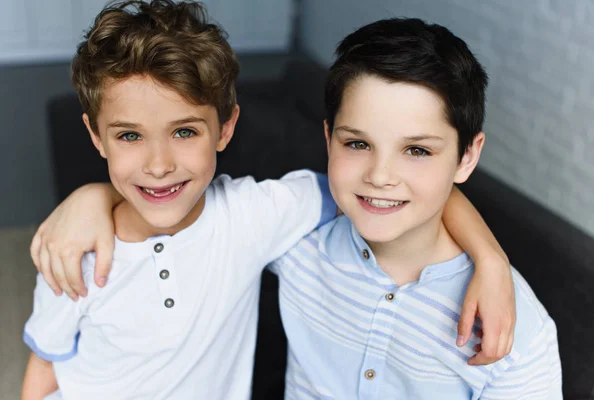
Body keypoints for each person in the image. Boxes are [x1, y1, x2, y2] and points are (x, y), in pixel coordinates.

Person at [24, 2, 516, 399]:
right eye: (129, 136)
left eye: (184, 131)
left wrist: (490, 259)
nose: (158, 164)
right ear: (95, 136)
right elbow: (45, 366)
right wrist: (91, 197)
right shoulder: (72, 251)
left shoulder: (255, 215)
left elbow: (391, 190)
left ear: (226, 127)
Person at [268, 18, 562, 399]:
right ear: (329, 138)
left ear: (467, 157)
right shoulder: (297, 236)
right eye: (358, 144)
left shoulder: (517, 329)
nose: (380, 175)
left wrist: (491, 261)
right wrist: (490, 255)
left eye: (417, 150)